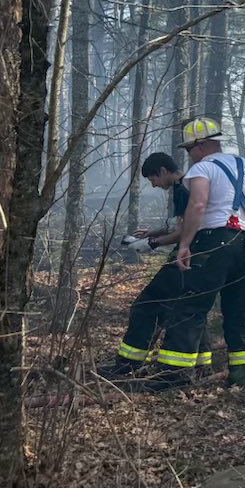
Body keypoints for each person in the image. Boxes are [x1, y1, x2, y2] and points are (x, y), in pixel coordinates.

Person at [149, 116, 245, 390]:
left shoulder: (202, 170)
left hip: (215, 242)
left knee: (190, 307)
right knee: (243, 312)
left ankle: (174, 377)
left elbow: (197, 206)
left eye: (188, 149)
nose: (188, 155)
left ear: (199, 145)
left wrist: (185, 244)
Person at [101, 152, 213, 378]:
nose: (153, 185)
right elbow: (178, 223)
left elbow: (182, 231)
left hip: (187, 256)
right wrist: (150, 233)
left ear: (163, 171)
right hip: (204, 255)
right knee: (191, 310)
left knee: (147, 305)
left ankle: (128, 364)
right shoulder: (190, 185)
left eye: (153, 179)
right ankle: (202, 364)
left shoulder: (182, 189)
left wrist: (150, 244)